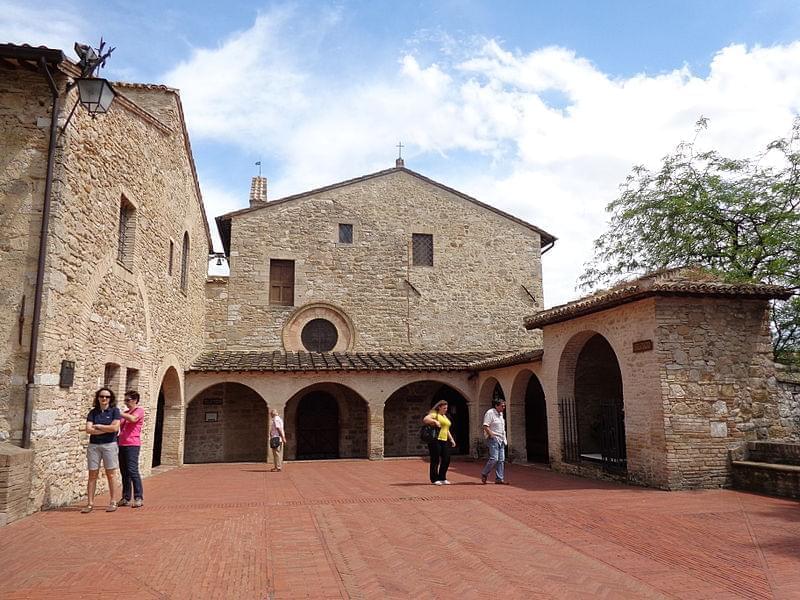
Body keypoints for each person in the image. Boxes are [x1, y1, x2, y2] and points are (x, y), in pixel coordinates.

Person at [83, 387, 122, 512]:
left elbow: (115, 428)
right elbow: (88, 430)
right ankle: (89, 503)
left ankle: (113, 501)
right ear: (98, 398)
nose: (104, 399)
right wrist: (107, 428)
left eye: (107, 397)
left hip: (110, 445)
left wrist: (99, 426)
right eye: (102, 396)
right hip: (94, 446)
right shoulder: (93, 412)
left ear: (111, 399)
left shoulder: (115, 411)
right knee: (92, 474)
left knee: (111, 474)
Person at [118, 390, 145, 508]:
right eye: (125, 400)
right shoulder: (126, 413)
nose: (126, 403)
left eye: (128, 400)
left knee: (132, 470)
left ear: (135, 400)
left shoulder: (139, 411)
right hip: (121, 444)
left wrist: (119, 413)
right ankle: (126, 497)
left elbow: (133, 419)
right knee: (124, 471)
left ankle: (138, 497)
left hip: (132, 444)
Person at [423, 399, 456, 485]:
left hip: (444, 440)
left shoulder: (445, 416)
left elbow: (447, 429)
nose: (446, 409)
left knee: (446, 458)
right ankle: (434, 479)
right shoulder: (434, 414)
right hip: (435, 439)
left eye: (446, 408)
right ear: (439, 407)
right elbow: (425, 419)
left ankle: (442, 477)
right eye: (444, 408)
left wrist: (451, 439)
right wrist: (434, 421)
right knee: (435, 459)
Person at [481, 398, 509, 484]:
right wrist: (492, 435)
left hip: (501, 439)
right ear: (496, 406)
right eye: (502, 406)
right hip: (494, 439)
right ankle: (485, 473)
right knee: (494, 458)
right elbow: (485, 425)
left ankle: (499, 478)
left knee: (501, 460)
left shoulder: (501, 414)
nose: (503, 407)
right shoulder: (490, 413)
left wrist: (504, 438)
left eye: (504, 406)